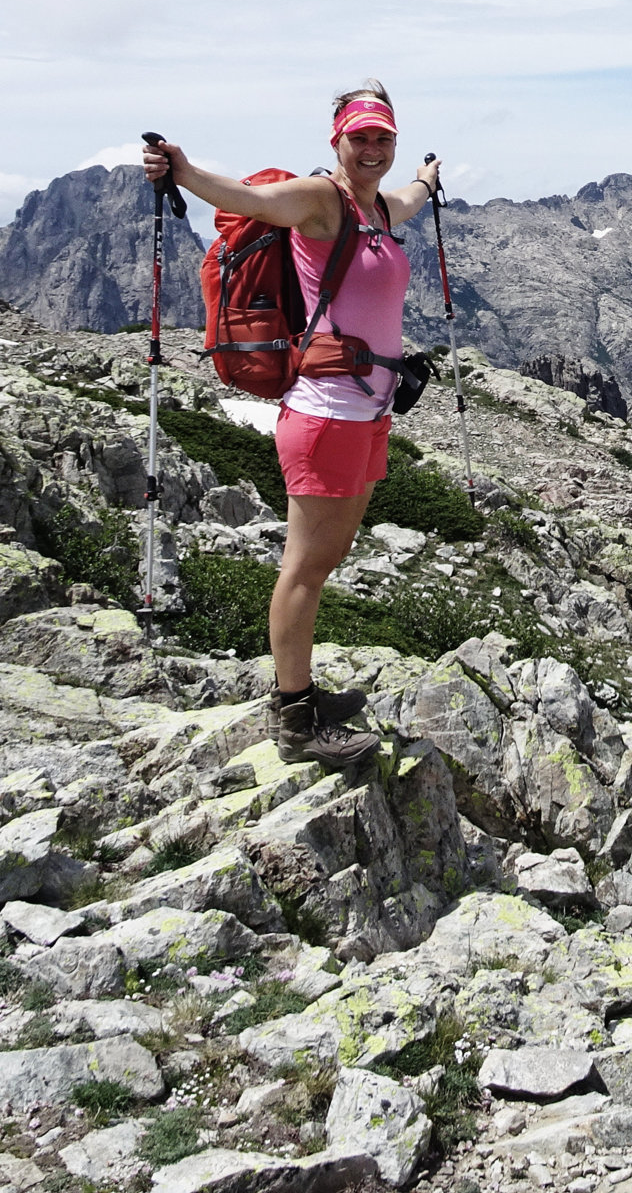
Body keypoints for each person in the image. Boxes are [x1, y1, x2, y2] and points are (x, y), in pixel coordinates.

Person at [141, 82, 440, 772]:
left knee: (325, 561)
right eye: (360, 136)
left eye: (383, 138)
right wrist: (183, 172)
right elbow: (251, 201)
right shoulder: (319, 200)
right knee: (304, 568)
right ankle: (297, 719)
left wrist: (426, 176)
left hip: (367, 417)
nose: (371, 148)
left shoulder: (379, 209)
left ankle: (298, 694)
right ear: (336, 139)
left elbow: (412, 201)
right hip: (324, 417)